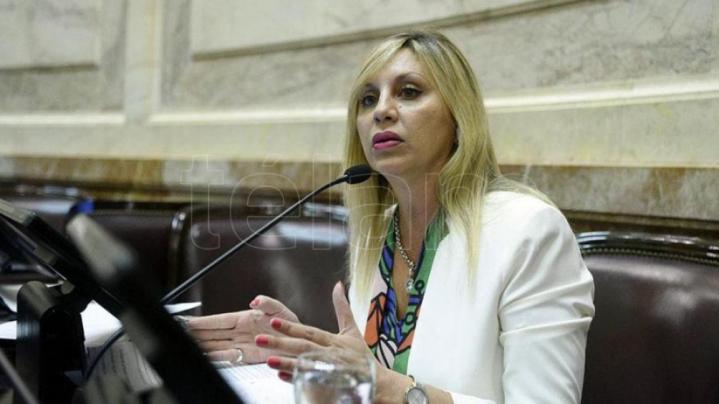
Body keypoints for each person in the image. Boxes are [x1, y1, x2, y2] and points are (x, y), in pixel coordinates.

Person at [188, 30, 594, 404]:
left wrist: (401, 393)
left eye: (409, 92)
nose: (382, 110)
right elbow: (376, 374)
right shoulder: (380, 228)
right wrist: (302, 351)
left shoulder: (528, 231)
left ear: (458, 118)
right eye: (368, 99)